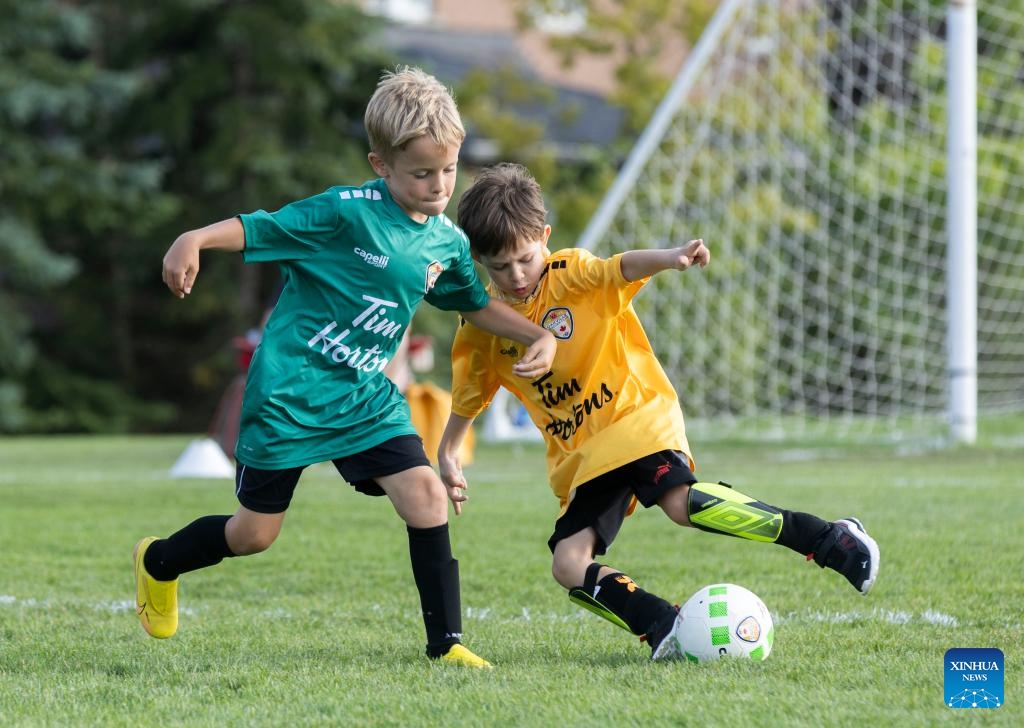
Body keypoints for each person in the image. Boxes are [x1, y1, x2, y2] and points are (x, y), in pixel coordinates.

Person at [134, 69, 557, 669]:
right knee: (253, 535)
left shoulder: (446, 243)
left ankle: (447, 646)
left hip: (365, 398)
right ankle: (158, 562)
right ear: (381, 164)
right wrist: (193, 239)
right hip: (290, 395)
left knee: (426, 498)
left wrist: (538, 333)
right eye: (422, 173)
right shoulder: (342, 213)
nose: (439, 186)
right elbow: (260, 228)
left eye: (448, 170)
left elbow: (474, 304)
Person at [437, 163, 880, 660]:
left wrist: (671, 258)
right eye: (499, 266)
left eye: (524, 258)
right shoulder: (481, 326)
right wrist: (450, 450)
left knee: (681, 505)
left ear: (544, 237)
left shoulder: (570, 275)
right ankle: (661, 624)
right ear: (478, 259)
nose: (516, 276)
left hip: (636, 418)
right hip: (583, 457)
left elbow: (618, 267)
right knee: (567, 562)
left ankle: (826, 539)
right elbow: (470, 393)